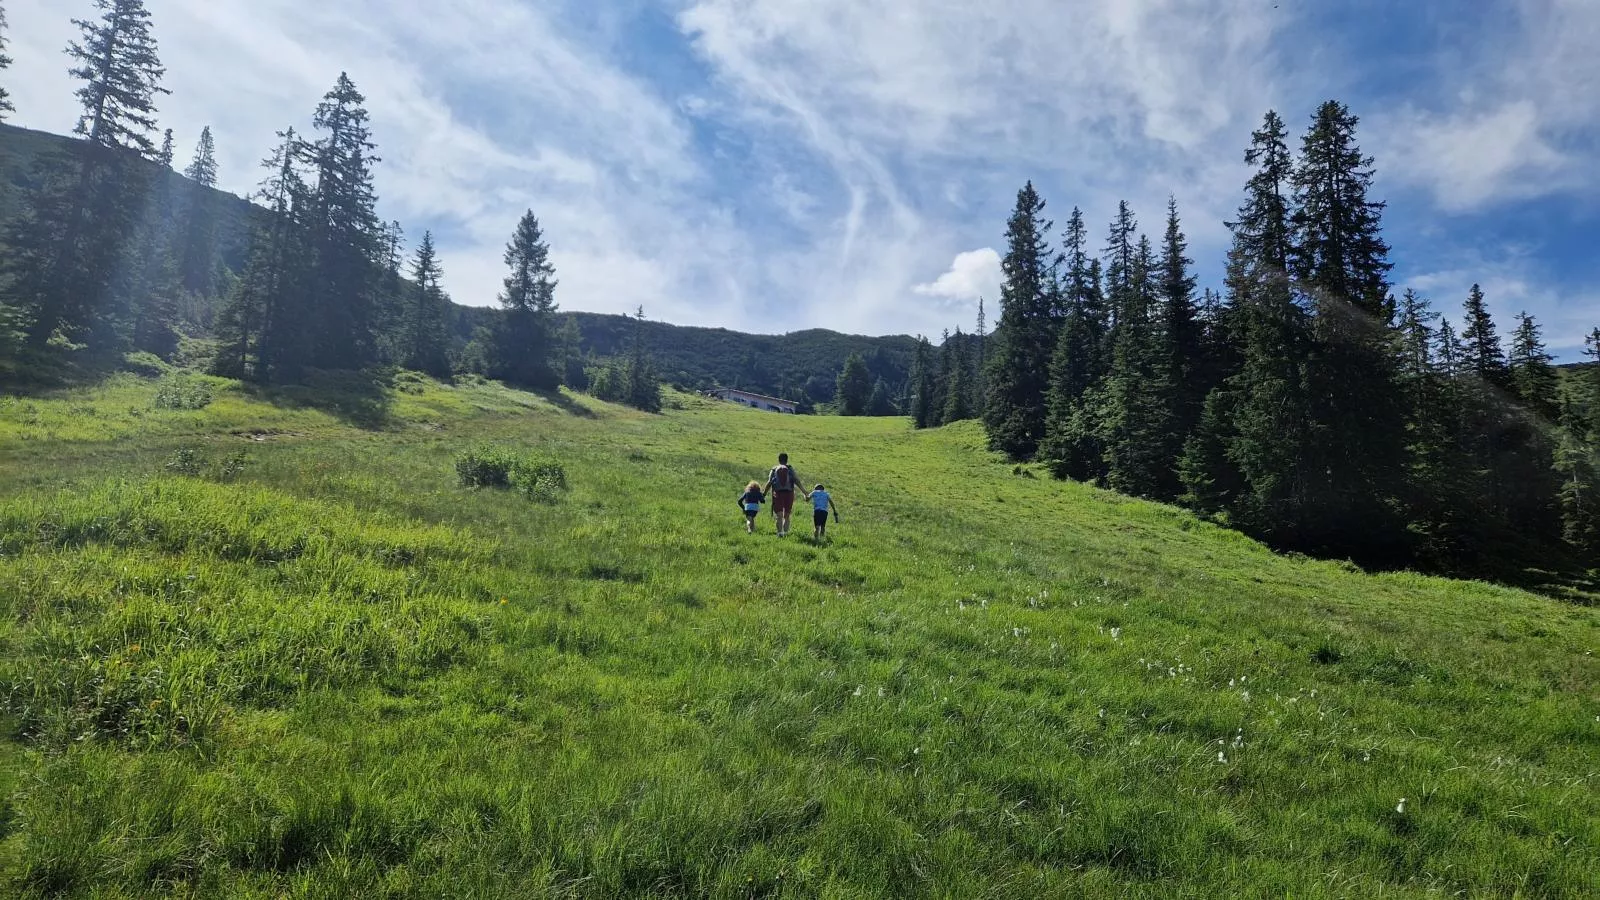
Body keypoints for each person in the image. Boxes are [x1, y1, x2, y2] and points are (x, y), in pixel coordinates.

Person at [767, 452, 807, 537]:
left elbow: (769, 482)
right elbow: (796, 480)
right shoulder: (789, 468)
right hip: (789, 493)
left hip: (777, 493)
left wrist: (763, 494)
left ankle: (779, 533)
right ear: (787, 460)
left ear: (779, 459)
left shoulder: (774, 469)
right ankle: (785, 533)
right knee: (787, 515)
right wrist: (804, 491)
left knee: (779, 515)